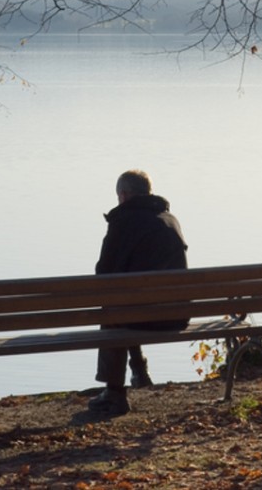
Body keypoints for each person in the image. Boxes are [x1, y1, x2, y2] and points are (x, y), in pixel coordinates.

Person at [88, 169, 189, 415]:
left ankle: (114, 392)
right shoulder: (170, 220)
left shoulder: (123, 222)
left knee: (113, 309)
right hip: (175, 315)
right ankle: (140, 371)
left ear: (123, 195)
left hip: (142, 316)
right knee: (127, 305)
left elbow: (104, 274)